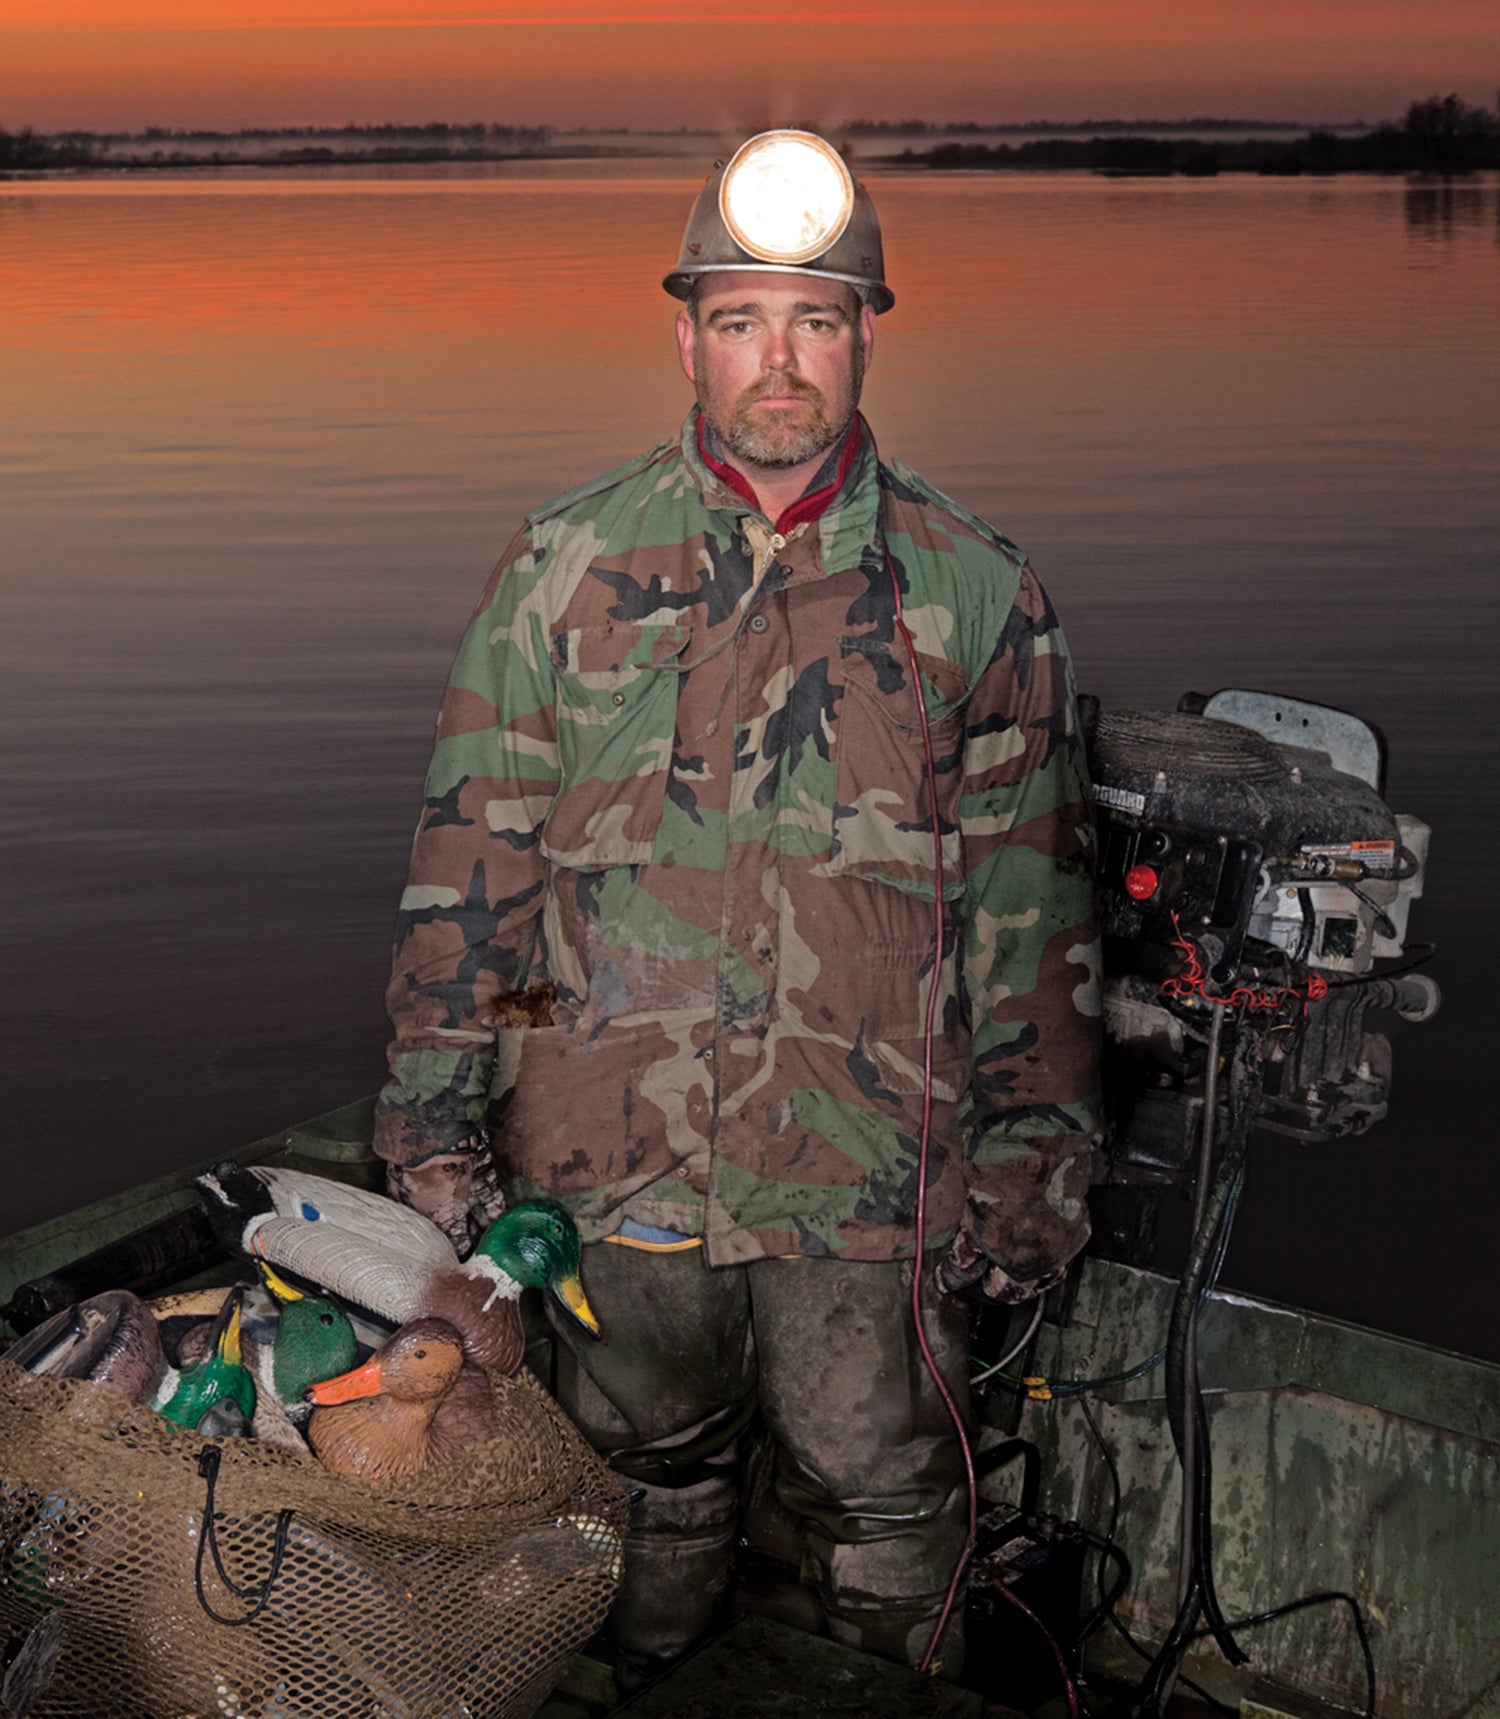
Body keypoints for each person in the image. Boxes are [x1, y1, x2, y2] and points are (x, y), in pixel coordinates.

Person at [374, 130, 1101, 1685]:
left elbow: (1031, 910)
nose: (782, 363)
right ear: (686, 335)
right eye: (743, 319)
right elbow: (474, 864)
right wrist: (441, 1116)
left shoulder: (975, 590)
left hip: (872, 1158)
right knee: (633, 1491)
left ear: (866, 337)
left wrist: (1035, 1158)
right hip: (605, 1146)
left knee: (889, 1499)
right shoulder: (562, 568)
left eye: (817, 321)